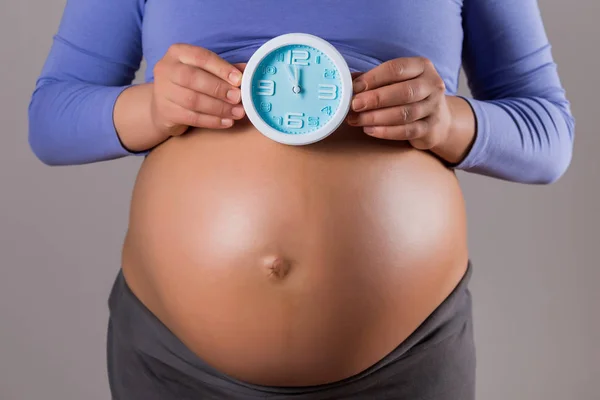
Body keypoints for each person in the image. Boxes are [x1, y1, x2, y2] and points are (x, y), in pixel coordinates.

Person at [28, 0, 574, 399]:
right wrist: (151, 108)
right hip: (175, 362)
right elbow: (51, 119)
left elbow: (549, 136)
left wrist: (449, 118)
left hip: (405, 361)